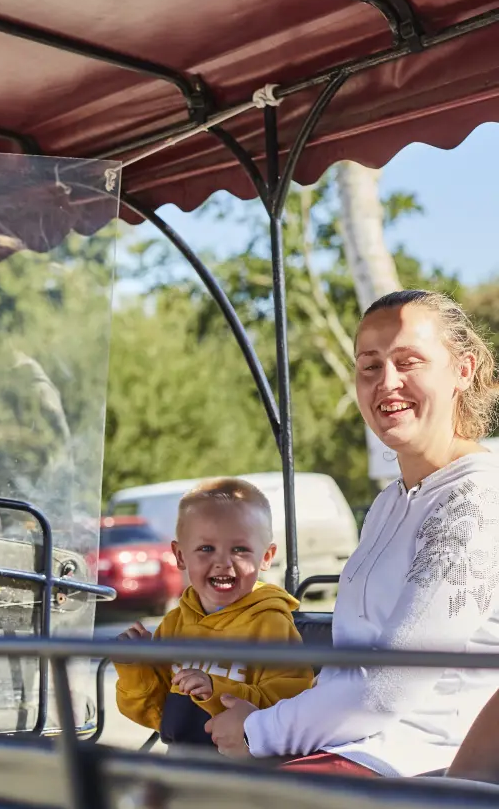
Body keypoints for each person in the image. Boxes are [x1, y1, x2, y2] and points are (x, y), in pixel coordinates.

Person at [208, 290, 499, 778]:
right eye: (370, 366)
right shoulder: (390, 502)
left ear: (462, 370)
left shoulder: (475, 502)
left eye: (409, 362)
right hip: (356, 743)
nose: (388, 383)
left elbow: (390, 688)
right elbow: (354, 666)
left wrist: (260, 730)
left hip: (421, 762)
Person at [113, 478, 313, 746]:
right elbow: (157, 715)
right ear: (180, 555)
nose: (223, 562)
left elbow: (290, 704)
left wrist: (217, 691)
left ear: (266, 557)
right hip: (184, 760)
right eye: (207, 548)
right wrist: (137, 667)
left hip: (244, 760)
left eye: (240, 549)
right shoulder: (175, 624)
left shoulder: (271, 623)